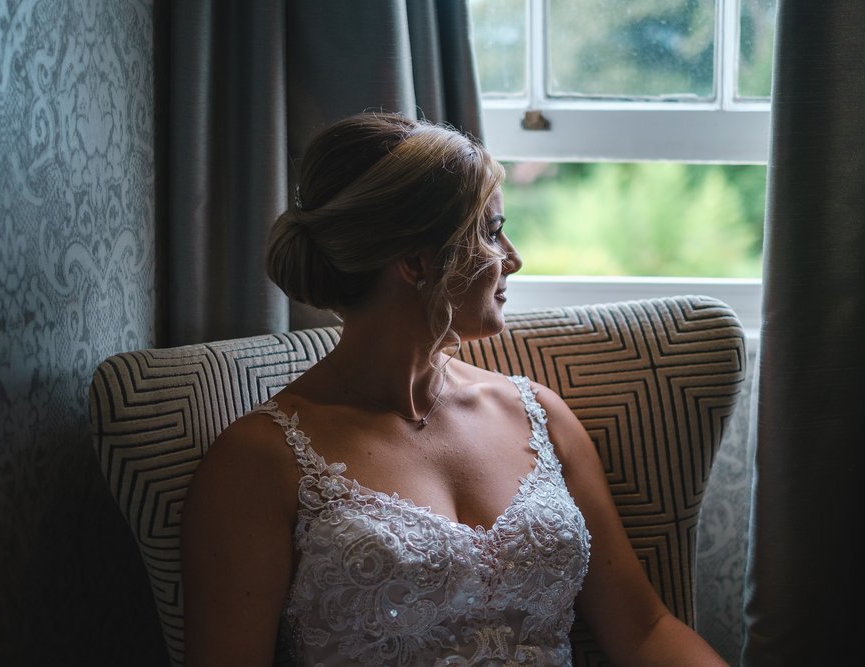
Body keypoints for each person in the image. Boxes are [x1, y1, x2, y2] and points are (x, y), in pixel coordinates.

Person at [181, 112, 726, 667]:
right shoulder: (258, 462)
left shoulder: (538, 415)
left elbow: (644, 631)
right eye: (490, 232)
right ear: (417, 261)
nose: (513, 257)